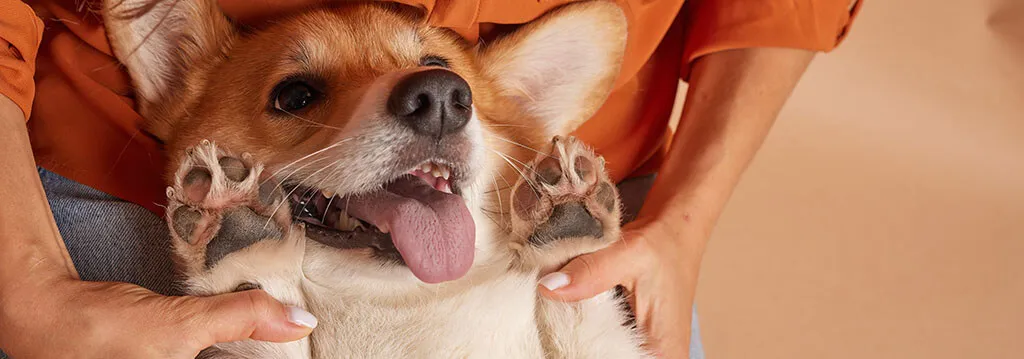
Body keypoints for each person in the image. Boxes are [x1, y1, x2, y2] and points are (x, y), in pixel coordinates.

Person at [0, 0, 861, 357]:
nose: (429, 102)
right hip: (109, 172)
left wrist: (685, 218)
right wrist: (22, 281)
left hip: (531, 191)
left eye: (440, 88)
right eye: (299, 93)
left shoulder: (507, 121)